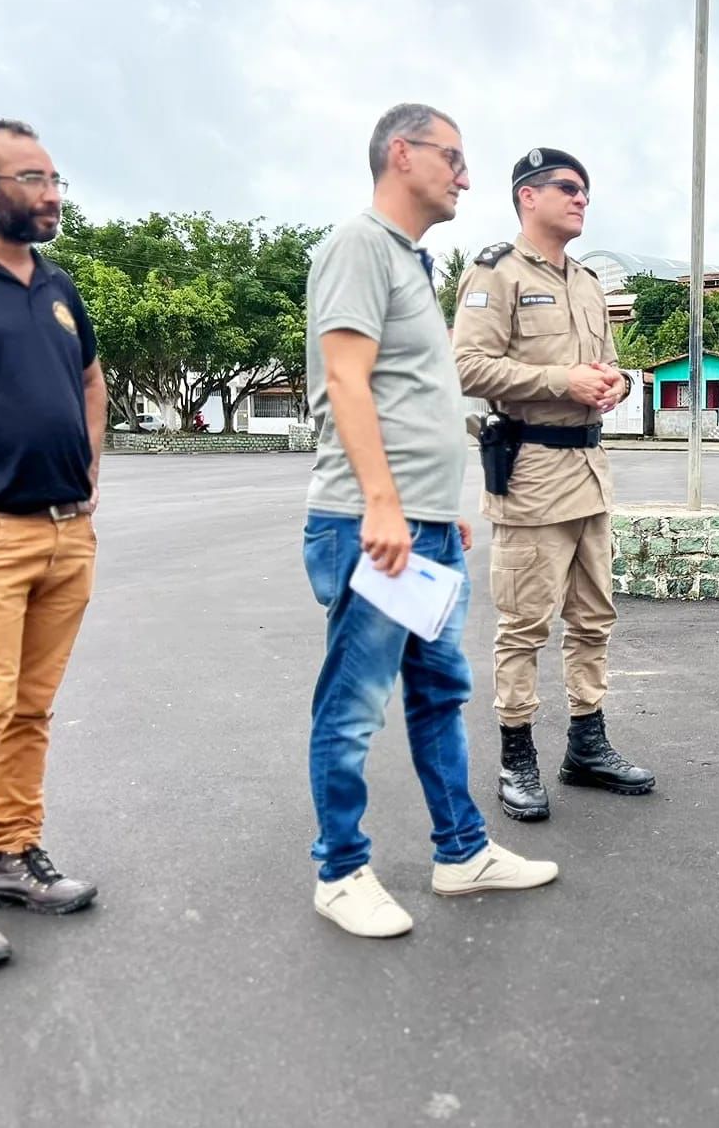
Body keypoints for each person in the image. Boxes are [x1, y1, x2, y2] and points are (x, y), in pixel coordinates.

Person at [302, 104, 557, 940]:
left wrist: (443, 508)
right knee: (353, 705)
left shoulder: (410, 262)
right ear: (400, 154)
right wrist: (384, 504)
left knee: (439, 691)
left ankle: (462, 852)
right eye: (452, 158)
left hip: (423, 525)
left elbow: (413, 395)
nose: (466, 176)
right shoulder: (358, 247)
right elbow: (347, 380)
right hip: (373, 523)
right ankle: (340, 873)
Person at [0, 119, 105, 974]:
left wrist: (90, 479)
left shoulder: (56, 282)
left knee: (29, 710)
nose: (51, 195)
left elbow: (88, 378)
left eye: (55, 178)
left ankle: (9, 855)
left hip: (63, 533)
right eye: (32, 178)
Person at [452, 147, 655, 823]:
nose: (581, 199)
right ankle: (516, 756)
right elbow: (470, 367)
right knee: (523, 626)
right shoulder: (494, 273)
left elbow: (613, 366)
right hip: (531, 473)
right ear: (527, 197)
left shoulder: (590, 283)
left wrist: (612, 383)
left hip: (590, 473)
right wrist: (559, 382)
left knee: (594, 618)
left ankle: (586, 745)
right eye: (568, 188)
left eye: (586, 191)